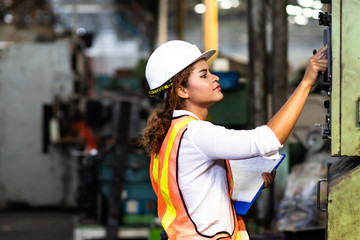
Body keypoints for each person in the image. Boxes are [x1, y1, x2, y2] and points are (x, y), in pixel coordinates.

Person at [140, 40, 327, 240]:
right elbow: (268, 139)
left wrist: (247, 182)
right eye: (204, 75)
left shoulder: (173, 131)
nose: (215, 78)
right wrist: (307, 82)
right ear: (182, 90)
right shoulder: (195, 133)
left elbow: (193, 190)